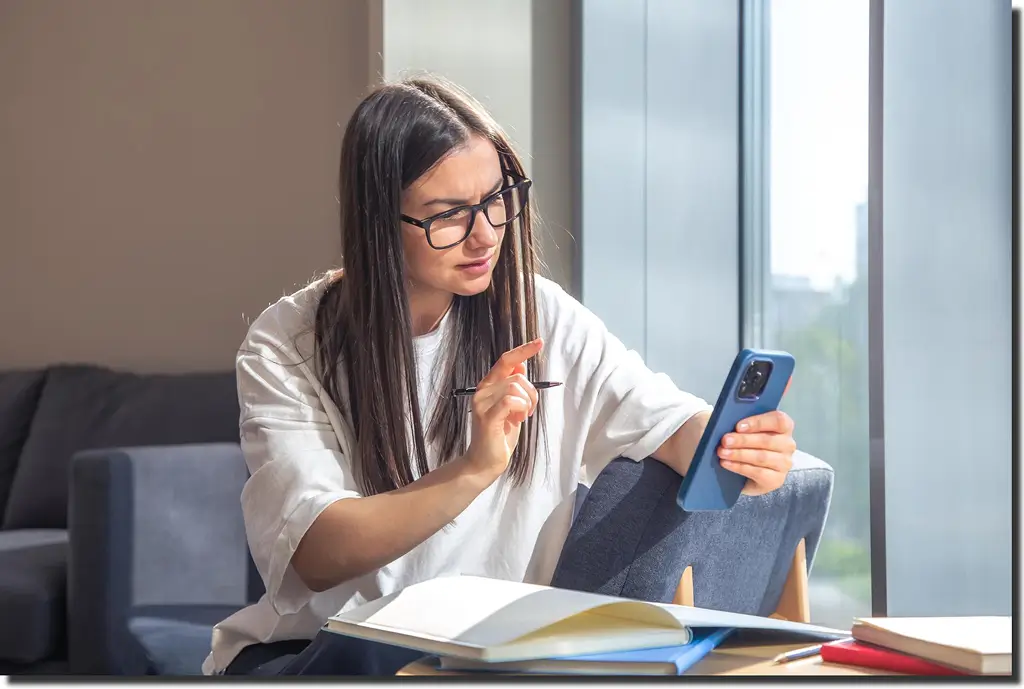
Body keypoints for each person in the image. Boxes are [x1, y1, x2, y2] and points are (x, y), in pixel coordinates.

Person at [202, 76, 798, 676]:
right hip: (322, 651)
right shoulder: (291, 342)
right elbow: (318, 553)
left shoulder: (539, 314)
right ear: (378, 221)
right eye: (448, 216)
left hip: (483, 655)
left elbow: (667, 425)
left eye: (495, 199)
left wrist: (741, 451)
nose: (486, 233)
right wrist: (474, 467)